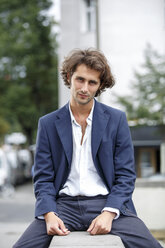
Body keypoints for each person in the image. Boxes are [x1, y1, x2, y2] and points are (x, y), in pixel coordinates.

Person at [13, 48, 162, 248]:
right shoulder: (48, 124)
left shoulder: (117, 120)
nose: (85, 88)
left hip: (106, 203)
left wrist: (109, 213)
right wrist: (49, 214)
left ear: (99, 86)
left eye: (92, 82)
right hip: (63, 206)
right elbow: (43, 178)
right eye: (80, 80)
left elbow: (126, 176)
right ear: (69, 77)